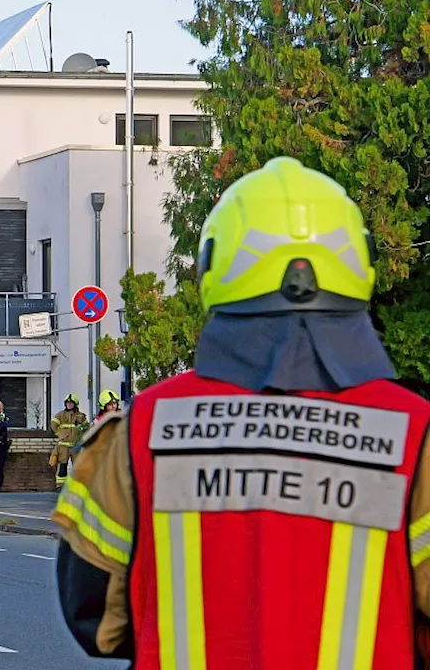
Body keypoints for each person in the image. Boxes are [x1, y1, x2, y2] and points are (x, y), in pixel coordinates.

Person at [51, 156, 430, 668]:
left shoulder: (141, 429)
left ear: (214, 267)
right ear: (358, 264)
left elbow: (94, 620)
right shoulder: (415, 435)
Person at [49, 394, 87, 488]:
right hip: (63, 446)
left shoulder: (81, 416)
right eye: (67, 403)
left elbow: (86, 427)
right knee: (62, 466)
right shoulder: (60, 415)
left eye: (71, 403)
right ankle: (60, 485)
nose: (69, 405)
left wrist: (82, 434)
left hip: (76, 446)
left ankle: (77, 485)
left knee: (77, 467)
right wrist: (59, 434)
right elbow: (53, 425)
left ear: (75, 404)